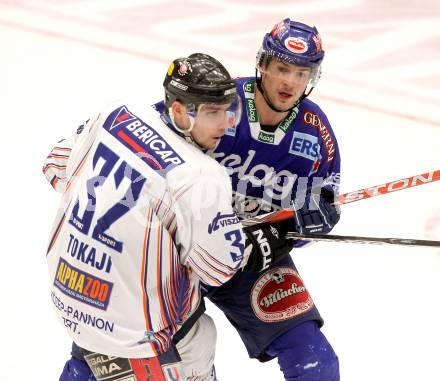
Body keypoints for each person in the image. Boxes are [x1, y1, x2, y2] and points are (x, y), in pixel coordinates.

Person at [43, 53, 290, 381]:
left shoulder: (117, 113)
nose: (225, 124)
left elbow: (54, 165)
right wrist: (258, 242)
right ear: (178, 111)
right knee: (195, 329)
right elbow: (218, 270)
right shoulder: (203, 175)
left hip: (73, 307)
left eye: (228, 111)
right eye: (212, 113)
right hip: (146, 344)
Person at [157, 19, 341, 381]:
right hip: (173, 248)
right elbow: (150, 141)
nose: (290, 81)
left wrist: (287, 233)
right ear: (263, 65)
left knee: (316, 362)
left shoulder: (315, 133)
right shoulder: (218, 99)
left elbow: (322, 211)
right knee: (113, 357)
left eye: (301, 73)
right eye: (282, 68)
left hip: (252, 259)